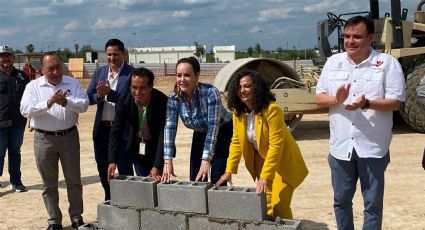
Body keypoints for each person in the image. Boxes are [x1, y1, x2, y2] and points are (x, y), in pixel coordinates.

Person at [315, 16, 405, 230]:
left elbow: (395, 103)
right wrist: (336, 100)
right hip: (341, 147)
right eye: (346, 36)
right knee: (341, 201)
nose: (350, 41)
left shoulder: (386, 64)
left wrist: (368, 103)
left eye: (357, 36)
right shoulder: (333, 62)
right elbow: (319, 97)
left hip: (372, 147)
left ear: (370, 38)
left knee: (372, 205)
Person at [215, 70, 308, 219]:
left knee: (279, 205)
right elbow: (236, 142)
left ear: (256, 88)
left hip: (282, 165)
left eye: (247, 86)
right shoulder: (238, 113)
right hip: (262, 163)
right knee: (267, 206)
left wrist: (265, 176)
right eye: (239, 87)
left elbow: (276, 145)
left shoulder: (272, 110)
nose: (242, 90)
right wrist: (229, 170)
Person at [20, 52, 89, 230]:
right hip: (44, 139)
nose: (55, 71)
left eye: (58, 66)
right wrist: (49, 102)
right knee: (48, 184)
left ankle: (76, 216)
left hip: (69, 137)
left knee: (73, 181)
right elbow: (25, 110)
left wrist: (66, 102)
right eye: (50, 68)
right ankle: (54, 220)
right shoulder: (33, 86)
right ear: (42, 70)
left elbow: (83, 104)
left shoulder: (72, 83)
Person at [161, 57, 232, 184]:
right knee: (196, 177)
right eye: (179, 75)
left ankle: (220, 201)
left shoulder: (210, 93)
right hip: (199, 132)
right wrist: (167, 161)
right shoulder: (173, 98)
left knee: (217, 175)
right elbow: (170, 129)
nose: (182, 80)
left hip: (222, 131)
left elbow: (213, 128)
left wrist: (206, 160)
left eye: (187, 75)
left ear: (197, 75)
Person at [87, 38, 134, 201]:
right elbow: (89, 97)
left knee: (125, 167)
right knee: (103, 167)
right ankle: (109, 197)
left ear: (123, 54)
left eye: (115, 54)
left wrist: (110, 93)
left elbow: (131, 101)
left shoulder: (132, 74)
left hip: (123, 131)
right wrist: (99, 95)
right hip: (102, 129)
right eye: (108, 55)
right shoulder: (99, 72)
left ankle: (128, 201)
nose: (112, 58)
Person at [107, 67, 167, 181]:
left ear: (151, 86)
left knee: (158, 184)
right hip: (138, 148)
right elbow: (116, 131)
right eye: (134, 87)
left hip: (157, 148)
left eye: (142, 88)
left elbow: (163, 135)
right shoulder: (124, 100)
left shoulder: (162, 102)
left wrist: (158, 165)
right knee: (144, 183)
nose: (137, 92)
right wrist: (112, 160)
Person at [0, 45, 30, 192]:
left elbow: (30, 98)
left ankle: (16, 181)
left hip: (18, 122)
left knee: (15, 152)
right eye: (2, 55)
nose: (5, 58)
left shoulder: (22, 76)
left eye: (8, 55)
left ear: (13, 58)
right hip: (0, 122)